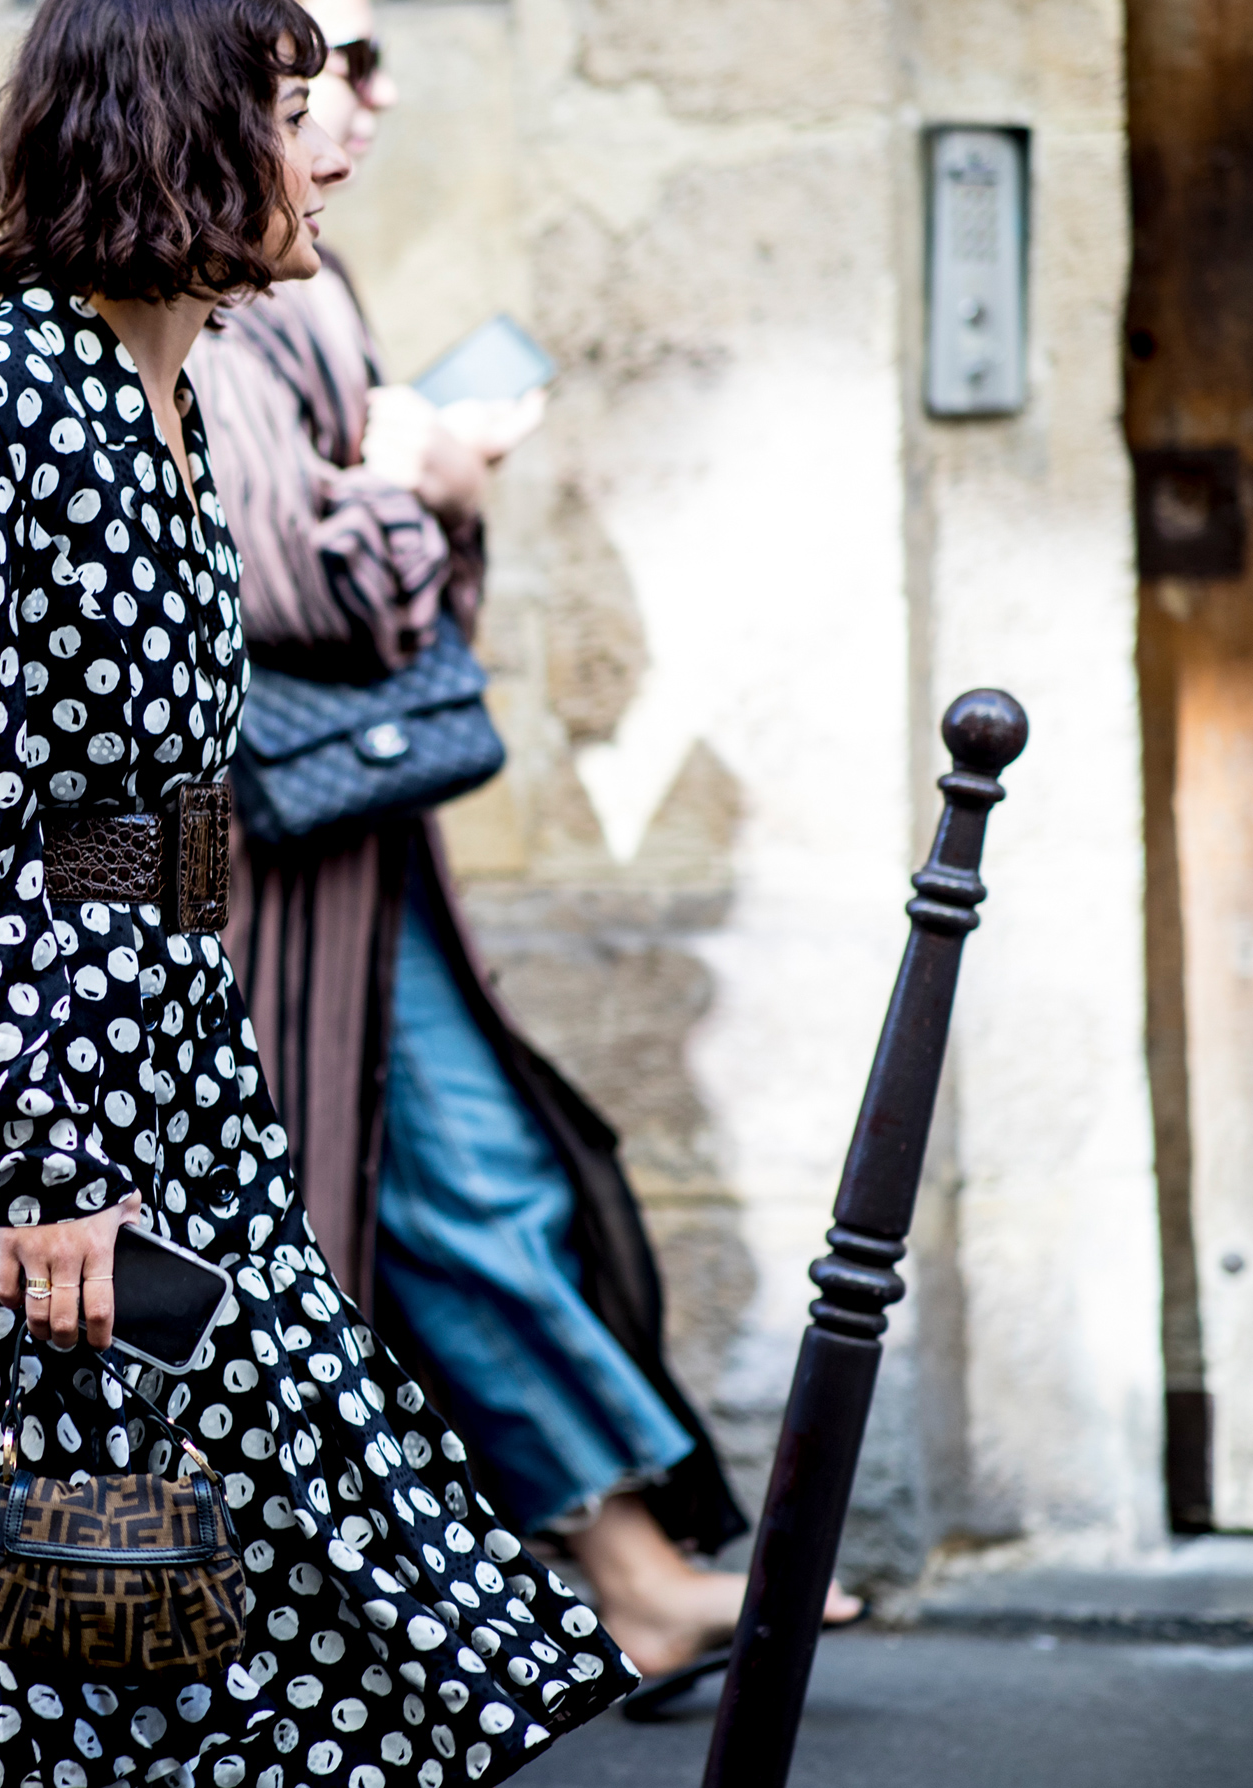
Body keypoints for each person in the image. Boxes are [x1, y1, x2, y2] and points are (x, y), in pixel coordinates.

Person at [0, 4, 639, 1788]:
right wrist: (51, 1165)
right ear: (178, 135)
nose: (334, 146)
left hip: (171, 1056)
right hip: (32, 1104)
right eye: (291, 109)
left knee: (168, 1572)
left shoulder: (171, 403)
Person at [185, 0, 859, 1680]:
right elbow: (284, 582)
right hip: (269, 875)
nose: (363, 100)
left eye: (363, 62)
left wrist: (418, 480)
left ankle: (601, 1579)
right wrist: (435, 482)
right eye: (326, 67)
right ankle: (560, 1592)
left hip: (346, 852)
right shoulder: (220, 305)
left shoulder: (303, 279)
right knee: (394, 1206)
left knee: (448, 1189)